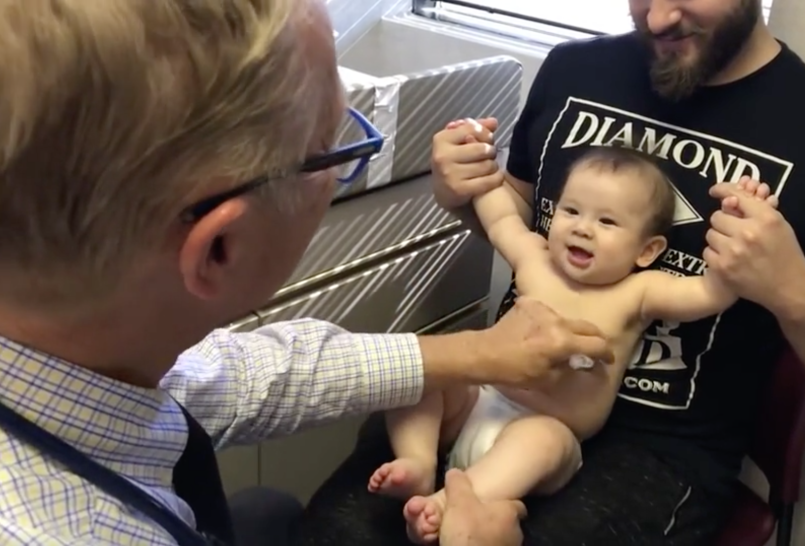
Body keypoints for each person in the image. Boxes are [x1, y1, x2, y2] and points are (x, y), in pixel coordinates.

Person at [0, 1, 615, 546]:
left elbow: (227, 378)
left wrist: (478, 352)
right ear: (220, 248)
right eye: (335, 149)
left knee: (266, 510)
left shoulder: (85, 343)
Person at [421, 0, 805, 543]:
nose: (656, 20)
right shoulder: (571, 70)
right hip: (495, 385)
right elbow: (520, 219)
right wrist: (462, 192)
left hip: (659, 453)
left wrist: (791, 287)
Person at [370, 144, 777, 543]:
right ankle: (418, 461)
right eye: (571, 211)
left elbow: (710, 294)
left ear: (647, 250)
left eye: (607, 222)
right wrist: (481, 166)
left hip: (544, 432)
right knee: (423, 365)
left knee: (543, 441)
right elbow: (500, 220)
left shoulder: (638, 292)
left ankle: (446, 504)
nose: (582, 227)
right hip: (479, 401)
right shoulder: (536, 258)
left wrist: (739, 227)